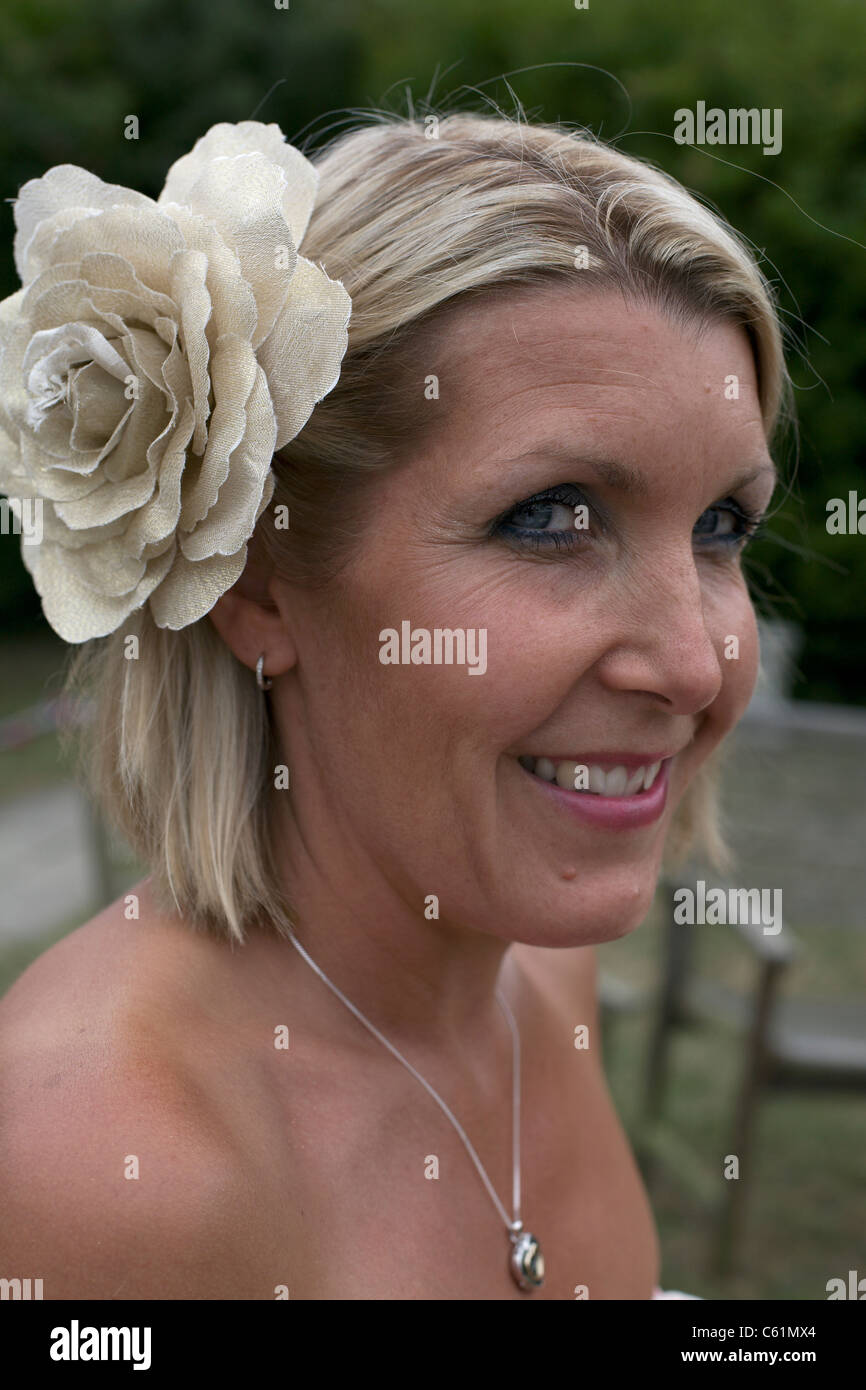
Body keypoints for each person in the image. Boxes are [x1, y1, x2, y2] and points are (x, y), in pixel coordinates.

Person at [0, 110, 788, 1300]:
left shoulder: (533, 973)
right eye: (552, 517)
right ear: (258, 581)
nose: (694, 664)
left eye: (718, 527)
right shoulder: (114, 1171)